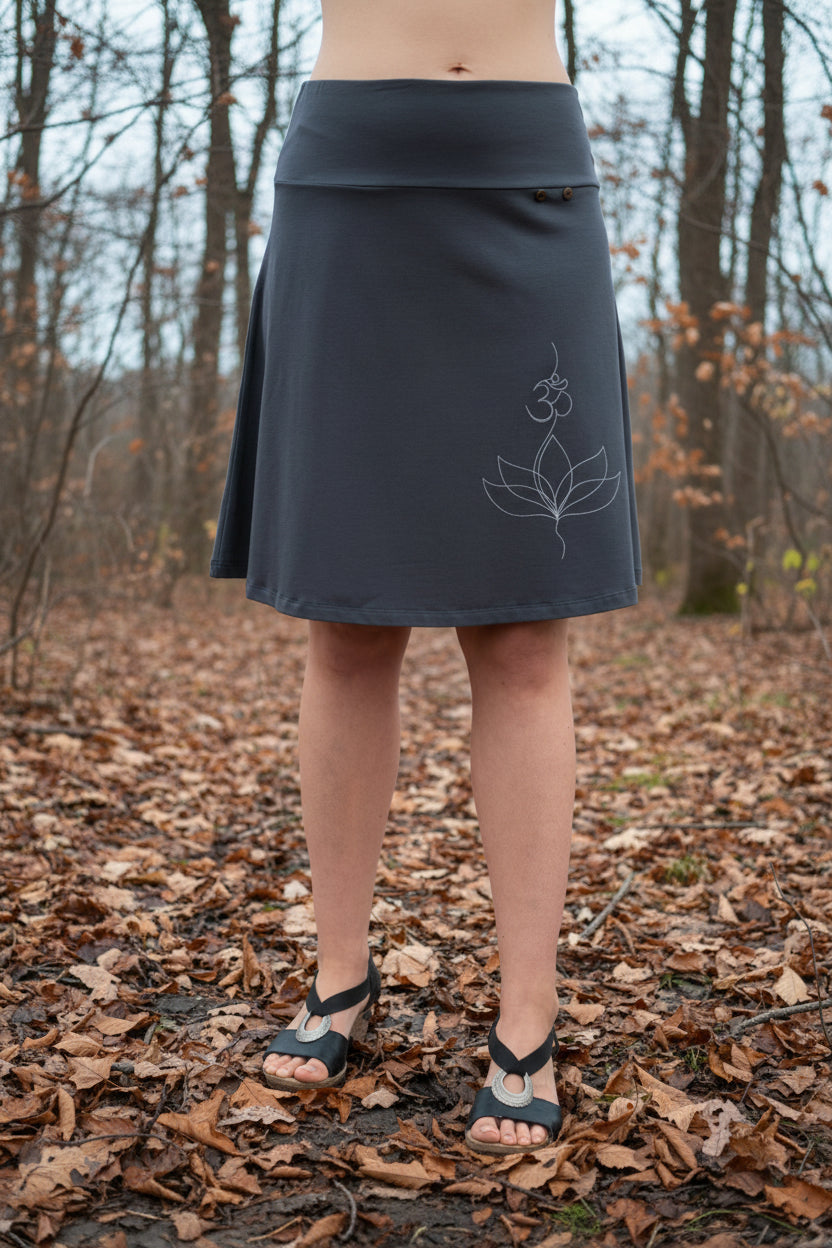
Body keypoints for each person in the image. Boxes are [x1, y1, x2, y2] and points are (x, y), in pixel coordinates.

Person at [210, 0, 641, 1155]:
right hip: (350, 178)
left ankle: (527, 1012)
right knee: (348, 626)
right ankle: (340, 976)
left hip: (525, 175)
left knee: (523, 635)